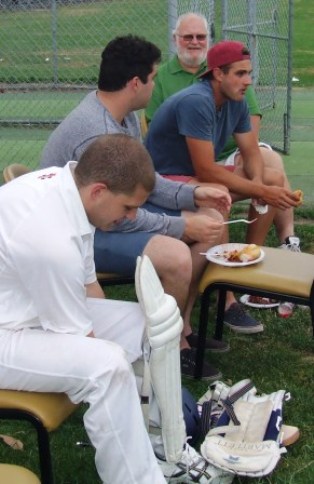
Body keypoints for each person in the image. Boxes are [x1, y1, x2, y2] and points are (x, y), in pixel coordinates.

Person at [0, 133, 224, 484]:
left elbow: (90, 290)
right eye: (128, 208)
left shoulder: (72, 191)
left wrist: (137, 356)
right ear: (99, 191)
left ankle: (166, 438)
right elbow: (83, 339)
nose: (131, 216)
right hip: (5, 333)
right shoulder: (50, 240)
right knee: (107, 368)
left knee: (145, 322)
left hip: (24, 308)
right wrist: (127, 371)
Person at [40, 34, 252, 381]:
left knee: (209, 219)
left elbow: (145, 181)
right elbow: (115, 217)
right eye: (154, 78)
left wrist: (195, 195)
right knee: (176, 254)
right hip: (79, 235)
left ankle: (179, 329)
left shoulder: (118, 115)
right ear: (135, 83)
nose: (156, 85)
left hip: (104, 221)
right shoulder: (98, 132)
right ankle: (164, 352)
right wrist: (181, 227)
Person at [145, 15, 301, 318]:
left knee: (271, 176)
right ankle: (219, 295)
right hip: (164, 180)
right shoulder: (196, 100)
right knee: (218, 195)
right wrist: (260, 190)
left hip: (192, 176)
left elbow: (251, 150)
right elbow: (205, 171)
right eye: (241, 74)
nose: (248, 81)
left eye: (249, 73)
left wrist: (260, 186)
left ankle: (247, 269)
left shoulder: (236, 99)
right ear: (218, 74)